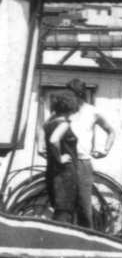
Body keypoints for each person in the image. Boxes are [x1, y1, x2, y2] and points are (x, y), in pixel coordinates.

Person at [64, 78, 116, 230]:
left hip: (82, 163)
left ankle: (87, 240)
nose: (70, 99)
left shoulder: (93, 112)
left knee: (84, 206)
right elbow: (46, 127)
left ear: (80, 94)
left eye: (73, 95)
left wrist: (105, 150)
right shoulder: (64, 110)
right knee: (64, 204)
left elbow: (111, 131)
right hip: (65, 162)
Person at [40, 91, 83, 225]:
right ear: (71, 106)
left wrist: (41, 148)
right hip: (65, 172)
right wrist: (60, 158)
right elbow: (54, 140)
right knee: (64, 212)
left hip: (52, 171)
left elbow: (44, 134)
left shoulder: (50, 124)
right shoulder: (63, 124)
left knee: (59, 209)